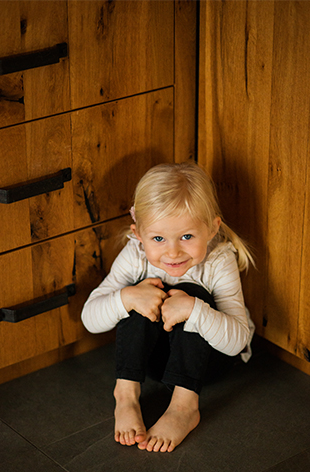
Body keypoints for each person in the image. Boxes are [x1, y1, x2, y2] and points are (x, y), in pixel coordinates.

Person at [81, 162, 255, 453]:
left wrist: (195, 309)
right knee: (137, 294)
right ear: (139, 234)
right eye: (158, 239)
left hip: (207, 364)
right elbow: (90, 319)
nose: (173, 252)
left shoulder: (218, 261)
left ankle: (184, 407)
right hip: (153, 361)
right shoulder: (135, 255)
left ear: (212, 228)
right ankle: (126, 395)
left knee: (191, 293)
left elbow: (237, 342)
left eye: (187, 236)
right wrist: (128, 297)